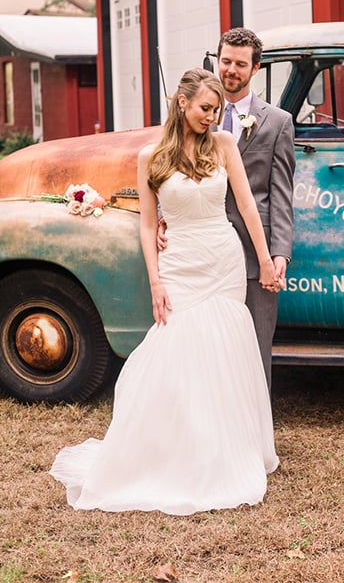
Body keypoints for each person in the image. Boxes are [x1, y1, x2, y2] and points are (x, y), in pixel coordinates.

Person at [50, 68, 279, 515]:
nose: (212, 118)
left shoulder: (225, 145)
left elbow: (247, 205)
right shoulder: (151, 156)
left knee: (223, 348)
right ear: (182, 103)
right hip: (178, 265)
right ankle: (176, 448)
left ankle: (225, 445)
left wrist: (266, 258)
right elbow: (149, 223)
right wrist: (155, 280)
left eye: (216, 111)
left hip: (222, 257)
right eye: (205, 109)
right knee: (175, 347)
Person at [159, 27, 296, 391]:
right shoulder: (197, 113)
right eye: (225, 61)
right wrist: (164, 217)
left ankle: (255, 436)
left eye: (239, 64)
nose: (230, 70)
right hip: (200, 253)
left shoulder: (278, 122)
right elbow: (170, 175)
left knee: (253, 348)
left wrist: (279, 252)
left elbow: (281, 193)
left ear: (256, 68)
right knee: (203, 349)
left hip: (254, 252)